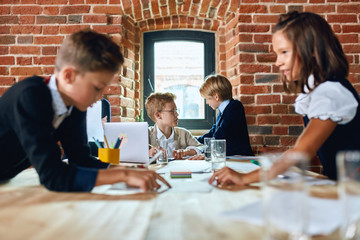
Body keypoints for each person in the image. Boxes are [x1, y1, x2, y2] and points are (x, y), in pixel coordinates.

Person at [0, 29, 170, 192]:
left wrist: (126, 169)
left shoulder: (73, 106)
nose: (99, 96)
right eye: (97, 88)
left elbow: (80, 160)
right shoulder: (30, 97)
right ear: (69, 76)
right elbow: (53, 176)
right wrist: (123, 175)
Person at [209, 11, 360, 187]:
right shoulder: (319, 90)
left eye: (284, 52)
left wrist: (244, 178)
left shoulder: (330, 92)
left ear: (311, 50)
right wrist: (280, 155)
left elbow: (304, 151)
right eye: (277, 54)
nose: (278, 62)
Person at [196, 74, 254, 157]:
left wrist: (204, 153)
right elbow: (213, 132)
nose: (207, 102)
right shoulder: (221, 111)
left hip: (241, 158)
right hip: (230, 158)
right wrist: (194, 141)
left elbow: (221, 135)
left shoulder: (235, 107)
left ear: (216, 97)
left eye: (207, 99)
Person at [145, 92, 203, 159]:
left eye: (176, 110)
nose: (177, 114)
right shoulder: (146, 134)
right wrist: (148, 154)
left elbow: (202, 147)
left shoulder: (184, 133)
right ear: (158, 115)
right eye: (172, 111)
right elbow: (134, 155)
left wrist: (186, 152)